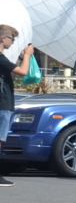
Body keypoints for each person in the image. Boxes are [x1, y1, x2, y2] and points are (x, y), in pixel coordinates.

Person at [0, 25, 36, 188]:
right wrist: (28, 56)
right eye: (12, 39)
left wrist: (22, 58)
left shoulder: (3, 59)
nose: (13, 43)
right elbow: (23, 72)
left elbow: (12, 72)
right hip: (2, 103)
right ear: (3, 38)